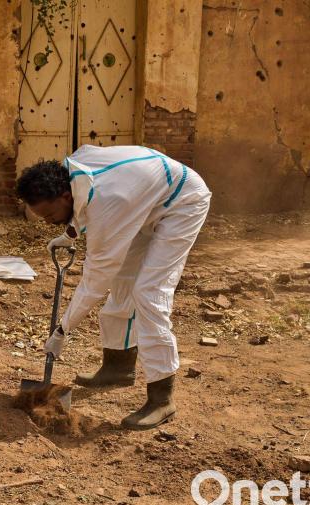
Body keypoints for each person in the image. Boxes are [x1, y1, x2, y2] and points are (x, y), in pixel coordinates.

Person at [16, 145, 211, 430]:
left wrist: (62, 330)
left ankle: (161, 400)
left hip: (182, 202)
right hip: (144, 202)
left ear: (65, 195)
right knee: (122, 281)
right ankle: (117, 366)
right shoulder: (71, 171)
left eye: (48, 216)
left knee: (148, 292)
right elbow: (82, 207)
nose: (47, 223)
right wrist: (69, 233)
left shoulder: (109, 203)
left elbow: (94, 282)